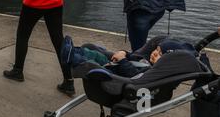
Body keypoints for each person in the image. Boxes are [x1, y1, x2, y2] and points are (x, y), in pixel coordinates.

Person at [61, 31, 217, 78]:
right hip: (121, 63)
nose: (154, 54)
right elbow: (135, 58)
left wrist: (123, 61)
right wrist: (125, 54)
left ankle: (74, 56)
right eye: (155, 51)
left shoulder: (152, 71)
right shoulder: (148, 61)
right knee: (93, 51)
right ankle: (75, 51)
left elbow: (133, 73)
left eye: (159, 54)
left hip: (118, 73)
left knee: (96, 61)